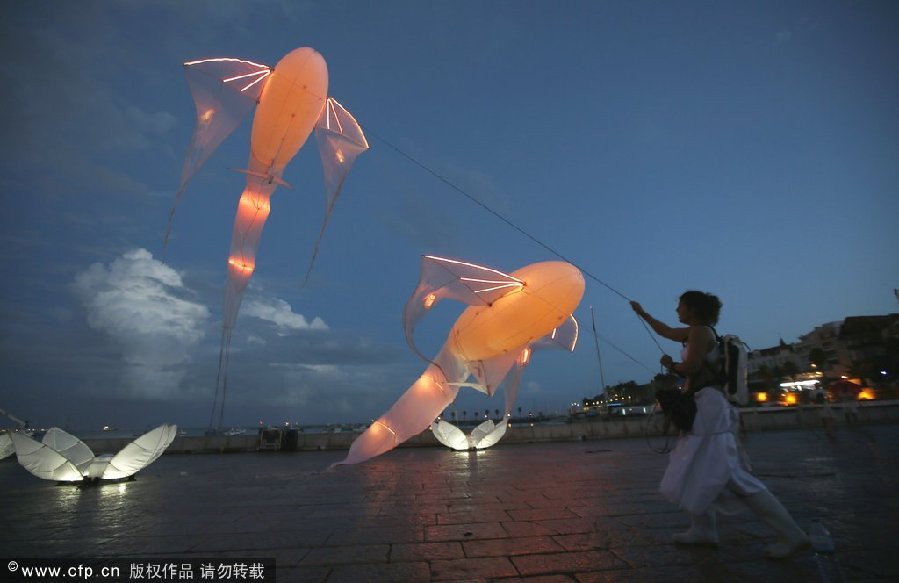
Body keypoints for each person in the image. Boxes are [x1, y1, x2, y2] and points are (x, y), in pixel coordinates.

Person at [631, 291, 809, 559]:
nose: (677, 310)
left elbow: (691, 367)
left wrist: (671, 364)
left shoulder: (700, 332)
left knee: (729, 472)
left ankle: (792, 534)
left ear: (693, 309)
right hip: (706, 406)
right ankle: (703, 529)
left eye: (681, 306)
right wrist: (643, 314)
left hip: (709, 408)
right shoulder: (697, 331)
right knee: (694, 465)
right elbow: (665, 331)